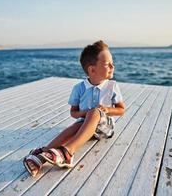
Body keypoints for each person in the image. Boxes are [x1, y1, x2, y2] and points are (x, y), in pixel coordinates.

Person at [23, 40, 125, 177]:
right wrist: (86, 113)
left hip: (105, 128)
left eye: (112, 62)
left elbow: (121, 110)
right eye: (108, 64)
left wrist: (107, 110)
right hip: (85, 125)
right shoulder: (79, 88)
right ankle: (42, 155)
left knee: (94, 113)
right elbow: (74, 112)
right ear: (92, 69)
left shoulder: (112, 86)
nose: (113, 66)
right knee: (72, 128)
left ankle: (67, 152)